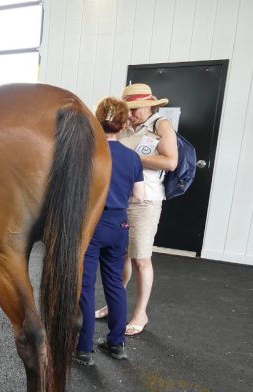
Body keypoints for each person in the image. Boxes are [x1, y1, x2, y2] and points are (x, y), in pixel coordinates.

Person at [99, 83, 177, 337]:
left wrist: (130, 158)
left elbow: (171, 161)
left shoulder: (160, 125)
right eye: (128, 110)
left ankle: (141, 312)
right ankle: (115, 303)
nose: (132, 115)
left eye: (136, 109)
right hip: (121, 198)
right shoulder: (125, 127)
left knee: (141, 258)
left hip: (146, 201)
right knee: (120, 256)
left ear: (150, 104)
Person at [75, 97, 146, 366]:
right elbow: (139, 196)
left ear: (97, 120)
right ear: (123, 123)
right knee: (115, 284)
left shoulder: (88, 153)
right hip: (119, 225)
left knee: (87, 286)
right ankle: (117, 344)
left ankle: (85, 349)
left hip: (92, 224)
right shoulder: (132, 157)